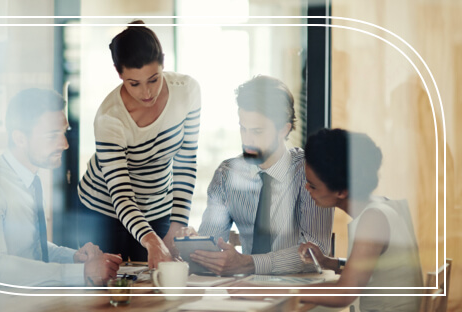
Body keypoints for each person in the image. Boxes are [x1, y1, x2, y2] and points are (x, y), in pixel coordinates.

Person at [231, 128, 423, 311]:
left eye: (312, 185)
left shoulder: (373, 220)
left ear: (341, 191)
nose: (306, 189)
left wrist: (270, 291)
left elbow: (343, 293)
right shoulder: (386, 206)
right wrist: (327, 262)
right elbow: (373, 269)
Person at [0, 88, 122, 288]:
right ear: (20, 138)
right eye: (52, 135)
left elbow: (30, 250)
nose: (65, 144)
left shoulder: (29, 180)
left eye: (64, 133)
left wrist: (73, 258)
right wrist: (80, 273)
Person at [77, 20, 201, 269]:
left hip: (157, 205)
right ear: (119, 72)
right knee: (109, 288)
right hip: (104, 208)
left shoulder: (187, 91)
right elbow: (120, 194)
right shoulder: (109, 117)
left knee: (157, 282)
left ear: (163, 62)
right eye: (134, 83)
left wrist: (176, 226)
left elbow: (186, 163)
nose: (146, 93)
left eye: (153, 80)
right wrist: (152, 241)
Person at [181, 76, 333, 275]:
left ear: (284, 129)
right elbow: (211, 242)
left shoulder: (310, 173)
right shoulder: (227, 175)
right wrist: (196, 245)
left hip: (299, 293)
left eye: (257, 131)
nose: (247, 139)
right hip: (246, 291)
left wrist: (249, 263)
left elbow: (316, 252)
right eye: (243, 128)